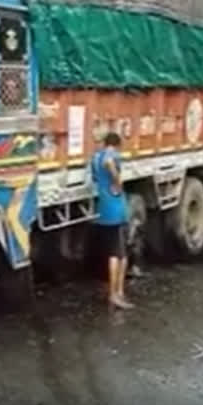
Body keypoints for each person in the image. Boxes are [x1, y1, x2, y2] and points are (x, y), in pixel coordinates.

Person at [91, 132, 134, 309]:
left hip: (102, 206)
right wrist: (117, 180)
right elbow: (109, 163)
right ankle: (116, 293)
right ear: (117, 145)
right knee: (119, 254)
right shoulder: (112, 156)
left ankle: (117, 292)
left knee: (113, 251)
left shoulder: (95, 156)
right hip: (115, 208)